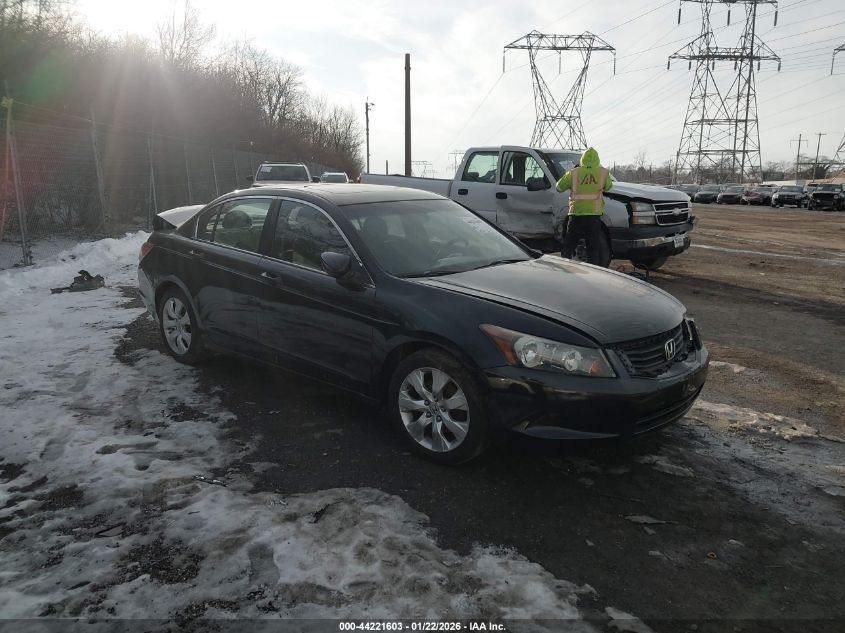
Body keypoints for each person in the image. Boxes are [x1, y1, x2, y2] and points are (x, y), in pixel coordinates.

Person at [555, 146, 613, 266]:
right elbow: (608, 187)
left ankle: (563, 269)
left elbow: (559, 187)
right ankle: (595, 273)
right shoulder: (603, 173)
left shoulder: (574, 173)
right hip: (594, 217)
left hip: (576, 215)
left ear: (582, 159)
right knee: (593, 249)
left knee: (569, 246)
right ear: (597, 159)